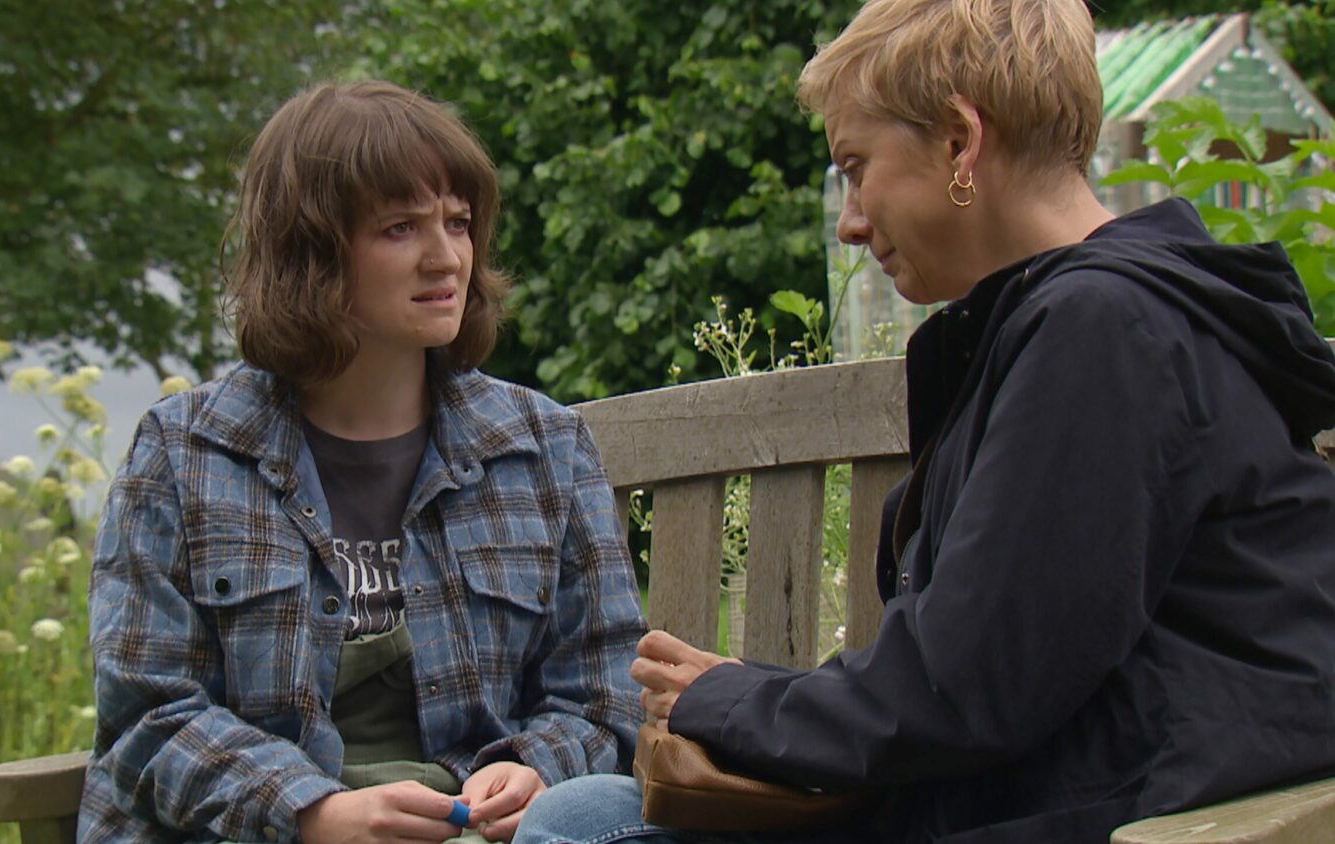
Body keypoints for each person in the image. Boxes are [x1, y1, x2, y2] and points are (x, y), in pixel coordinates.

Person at [514, 1, 1335, 842]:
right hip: (1071, 784)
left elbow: (974, 686)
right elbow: (1005, 653)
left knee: (573, 829)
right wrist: (751, 692)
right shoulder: (1094, 320)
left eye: (856, 166)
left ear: (958, 142)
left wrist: (733, 700)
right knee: (583, 811)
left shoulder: (1104, 330)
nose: (850, 220)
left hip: (1109, 810)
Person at [78, 80, 646, 844]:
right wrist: (308, 812)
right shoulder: (186, 454)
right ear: (310, 253)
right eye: (400, 228)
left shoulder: (543, 448)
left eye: (457, 222)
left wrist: (538, 767)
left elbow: (606, 693)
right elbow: (146, 714)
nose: (445, 258)